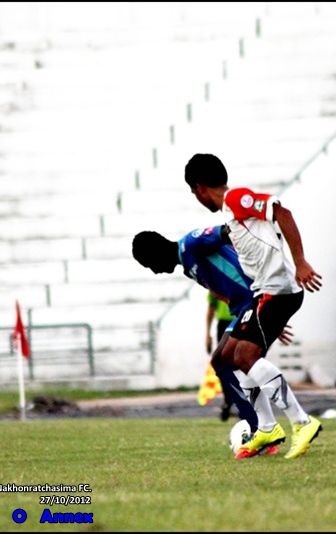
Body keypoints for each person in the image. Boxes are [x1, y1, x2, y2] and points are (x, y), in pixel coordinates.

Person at [184, 153, 323, 459]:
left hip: (278, 290)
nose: (197, 198)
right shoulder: (230, 215)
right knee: (231, 356)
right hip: (264, 294)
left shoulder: (236, 199)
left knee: (244, 355)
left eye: (194, 193)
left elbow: (282, 212)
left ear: (199, 188)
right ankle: (267, 428)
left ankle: (302, 422)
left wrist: (300, 263)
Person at [132, 226, 279, 450]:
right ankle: (259, 427)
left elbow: (229, 230)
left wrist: (268, 299)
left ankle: (264, 428)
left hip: (253, 301)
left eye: (150, 264)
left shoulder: (191, 242)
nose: (154, 271)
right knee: (225, 362)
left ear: (156, 253)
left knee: (231, 361)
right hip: (244, 308)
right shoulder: (187, 264)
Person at [206, 292, 236, 421]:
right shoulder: (214, 282)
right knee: (221, 364)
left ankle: (243, 404)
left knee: (242, 363)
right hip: (224, 324)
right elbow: (211, 307)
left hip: (242, 318)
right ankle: (228, 400)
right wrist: (207, 334)